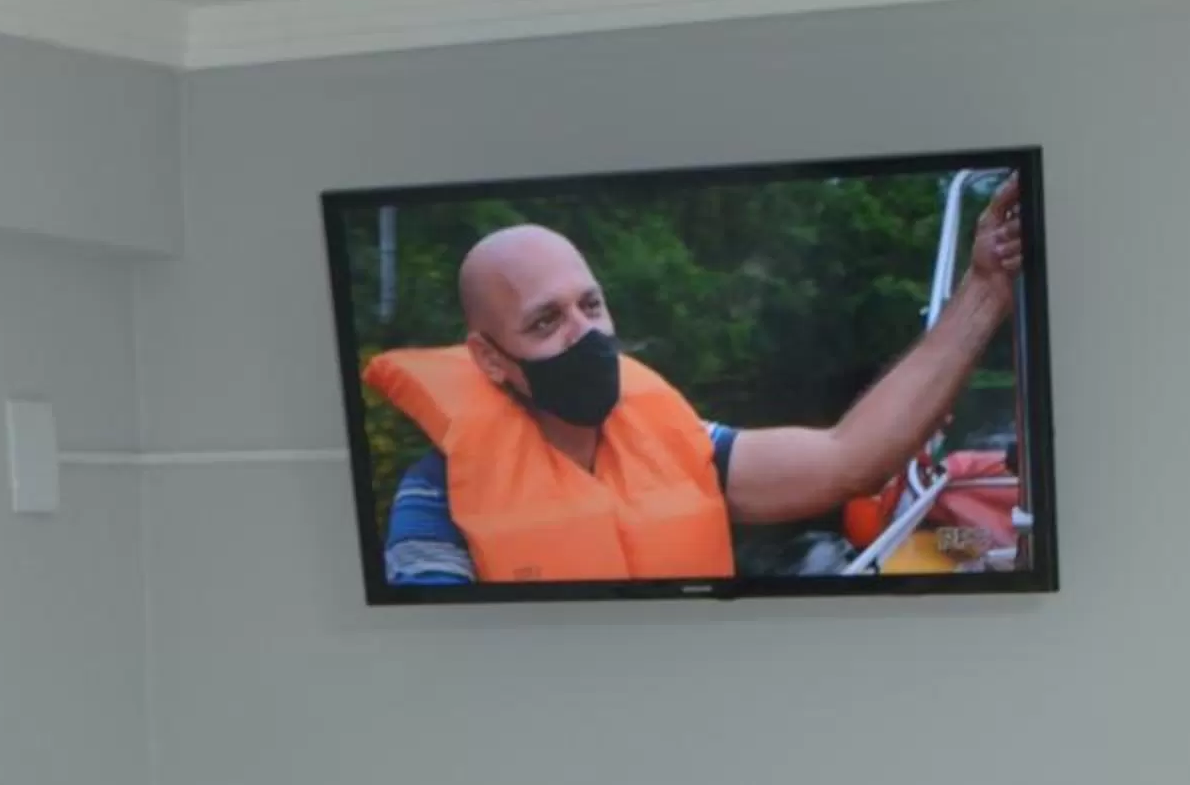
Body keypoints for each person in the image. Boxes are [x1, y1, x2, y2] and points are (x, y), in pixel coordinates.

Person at [367, 176, 1024, 586]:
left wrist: (986, 286)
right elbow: (441, 669)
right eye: (546, 321)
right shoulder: (436, 499)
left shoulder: (685, 441)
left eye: (591, 306)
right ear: (488, 359)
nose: (585, 335)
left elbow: (845, 459)